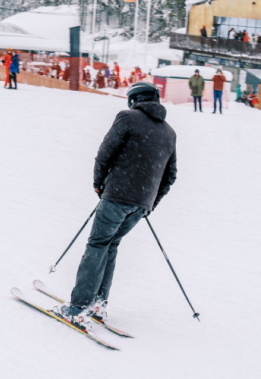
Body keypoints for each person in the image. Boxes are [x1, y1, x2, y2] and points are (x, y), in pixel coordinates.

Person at [52, 82, 177, 333]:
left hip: (117, 196)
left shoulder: (127, 118)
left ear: (135, 100)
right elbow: (170, 175)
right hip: (141, 205)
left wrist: (99, 184)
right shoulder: (169, 132)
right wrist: (151, 202)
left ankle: (78, 308)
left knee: (98, 244)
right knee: (111, 245)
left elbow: (104, 153)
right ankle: (98, 305)